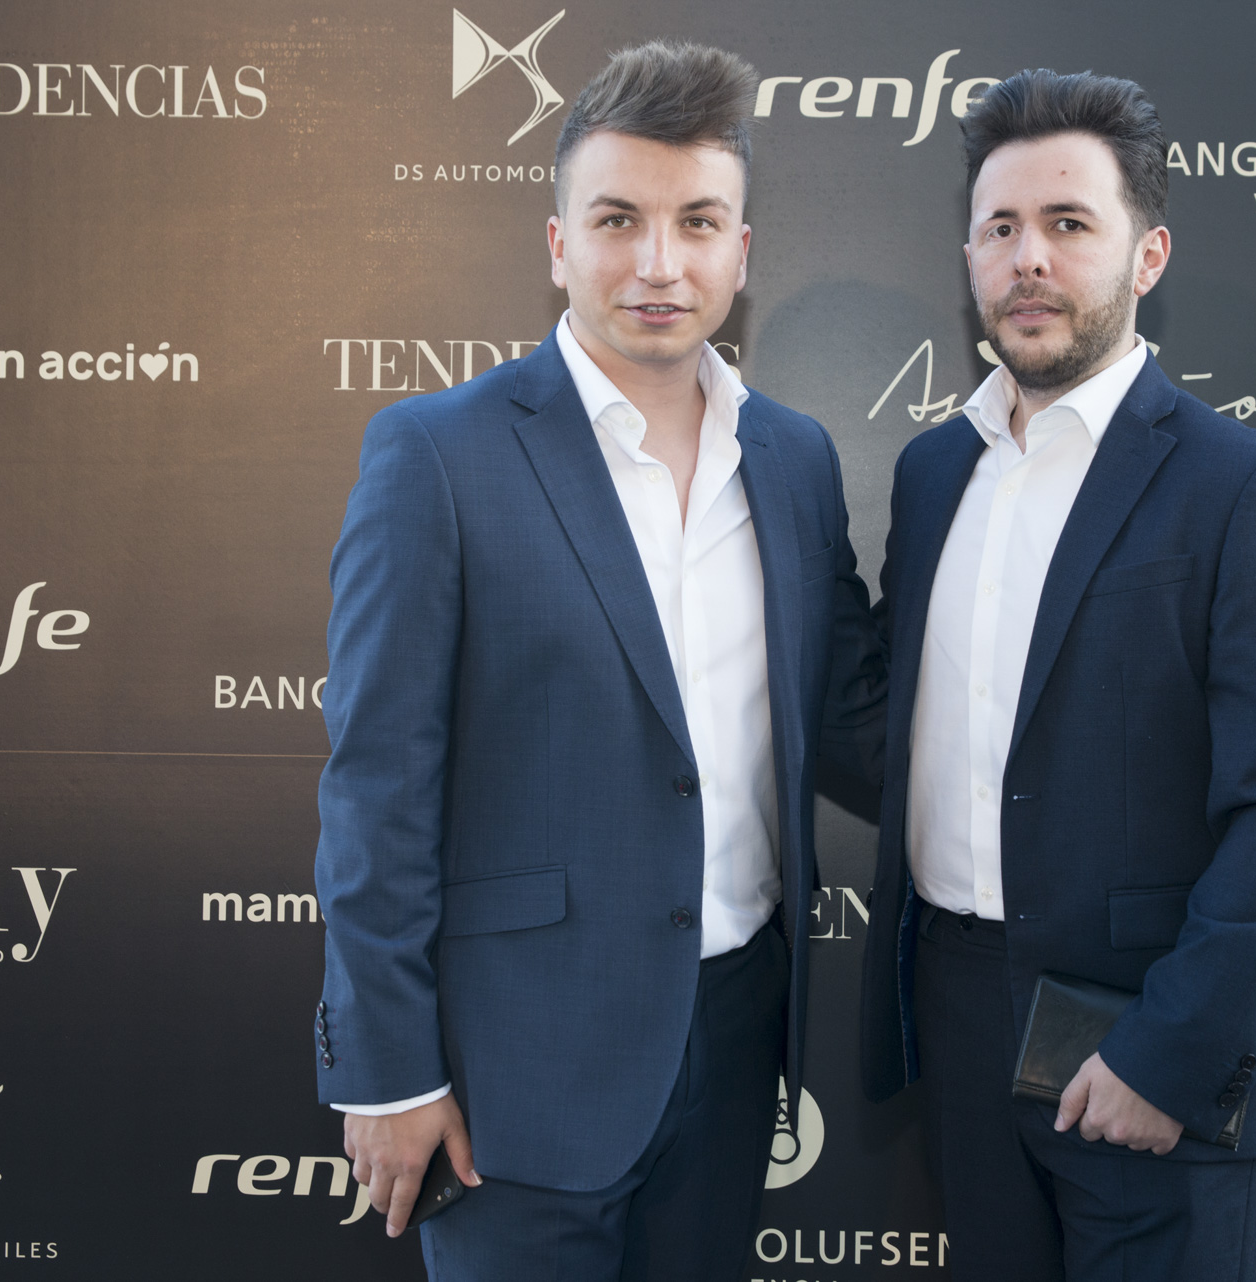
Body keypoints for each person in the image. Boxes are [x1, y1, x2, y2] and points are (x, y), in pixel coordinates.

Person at [313, 40, 883, 1282]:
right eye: (618, 219)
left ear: (743, 250)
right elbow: (376, 785)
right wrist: (389, 1069)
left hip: (734, 1037)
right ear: (559, 243)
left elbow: (856, 715)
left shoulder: (794, 460)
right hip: (510, 1066)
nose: (658, 263)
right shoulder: (436, 455)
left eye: (698, 223)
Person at [859, 70, 1256, 1280]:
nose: (1029, 257)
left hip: (1155, 1034)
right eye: (1001, 227)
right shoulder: (932, 473)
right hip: (963, 1020)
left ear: (1148, 255)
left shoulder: (1245, 485)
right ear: (969, 257)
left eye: (1069, 223)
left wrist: (1165, 1056)